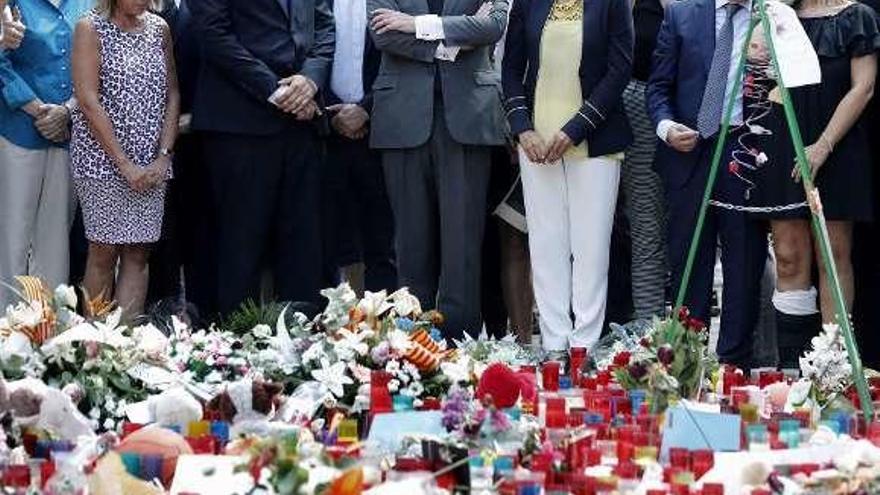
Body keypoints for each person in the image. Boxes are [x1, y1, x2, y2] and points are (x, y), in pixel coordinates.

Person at [747, 0, 878, 367]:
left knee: (832, 258)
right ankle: (792, 368)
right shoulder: (777, 15)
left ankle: (830, 368)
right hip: (784, 138)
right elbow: (756, 65)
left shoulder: (857, 16)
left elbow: (863, 88)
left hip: (836, 147)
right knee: (788, 257)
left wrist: (822, 147)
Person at [367, 0, 508, 339]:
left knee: (463, 245)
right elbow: (385, 36)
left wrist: (416, 25)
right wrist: (457, 39)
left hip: (468, 119)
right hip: (402, 120)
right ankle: (412, 344)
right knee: (410, 244)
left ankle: (460, 346)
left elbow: (492, 27)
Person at [503, 0, 634, 354]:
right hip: (537, 144)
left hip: (594, 140)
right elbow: (511, 68)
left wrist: (575, 129)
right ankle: (554, 344)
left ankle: (584, 349)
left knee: (590, 251)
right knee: (545, 247)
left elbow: (619, 70)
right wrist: (522, 128)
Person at [190, 0, 334, 316]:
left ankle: (305, 348)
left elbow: (324, 27)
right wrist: (278, 92)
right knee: (241, 248)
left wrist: (310, 80)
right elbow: (214, 36)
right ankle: (236, 353)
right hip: (239, 124)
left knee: (304, 247)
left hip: (302, 125)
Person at [647, 0, 767, 368]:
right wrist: (666, 128)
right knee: (688, 257)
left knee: (744, 260)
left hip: (745, 150)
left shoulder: (769, 18)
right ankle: (687, 361)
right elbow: (658, 87)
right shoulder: (681, 14)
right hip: (689, 150)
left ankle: (733, 363)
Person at [70, 0, 180, 319]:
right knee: (103, 251)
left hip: (152, 161)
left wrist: (164, 156)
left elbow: (172, 92)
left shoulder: (159, 28)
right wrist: (124, 164)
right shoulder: (89, 27)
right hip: (102, 161)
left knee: (138, 252)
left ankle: (126, 345)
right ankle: (94, 347)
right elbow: (88, 100)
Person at [0, 0, 92, 309]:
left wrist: (67, 111)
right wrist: (38, 110)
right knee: (13, 235)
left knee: (55, 239)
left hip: (68, 131)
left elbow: (98, 65)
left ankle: (50, 332)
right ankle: (7, 330)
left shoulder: (89, 3)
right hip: (17, 128)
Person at [323, 0, 397, 294]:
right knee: (323, 240)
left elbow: (405, 59)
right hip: (324, 129)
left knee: (384, 241)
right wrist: (333, 115)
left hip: (384, 130)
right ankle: (325, 331)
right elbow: (302, 51)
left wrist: (366, 109)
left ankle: (386, 328)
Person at [623, 0, 668, 322]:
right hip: (632, 103)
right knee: (644, 225)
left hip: (681, 104)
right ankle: (647, 330)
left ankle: (672, 334)